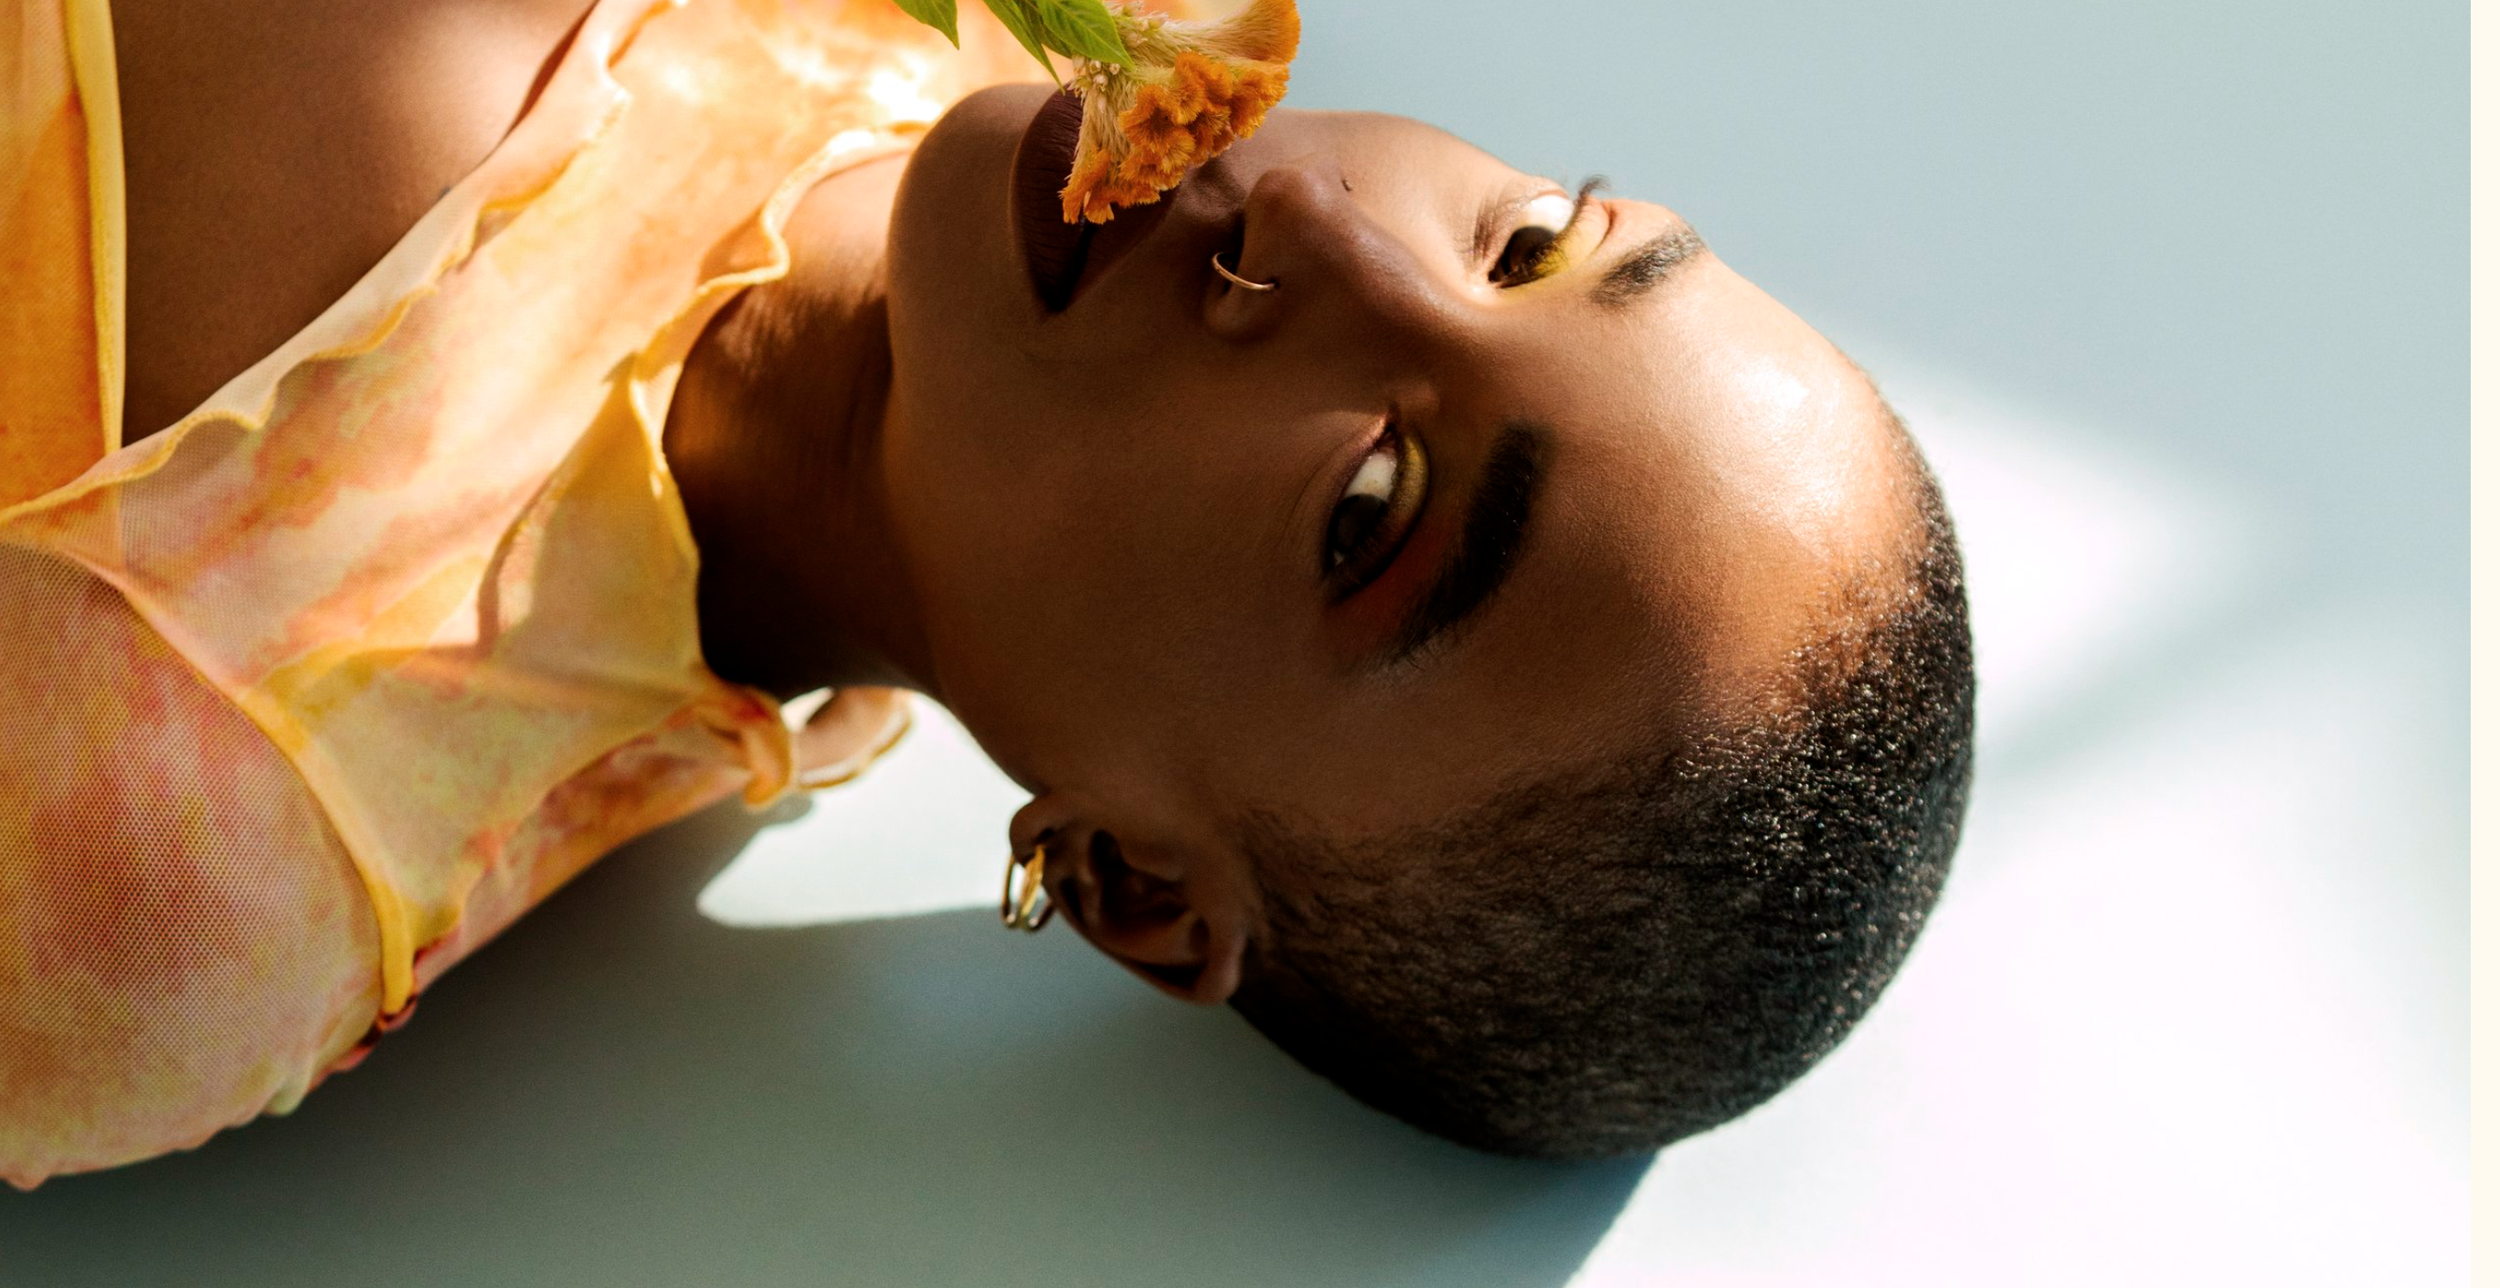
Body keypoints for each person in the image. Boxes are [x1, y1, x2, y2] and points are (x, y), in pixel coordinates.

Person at [0, 0, 1973, 1186]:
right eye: (1530, 242)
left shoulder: (180, 814)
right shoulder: (1094, 22)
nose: (1318, 219)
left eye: (1371, 505)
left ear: (1124, 883)